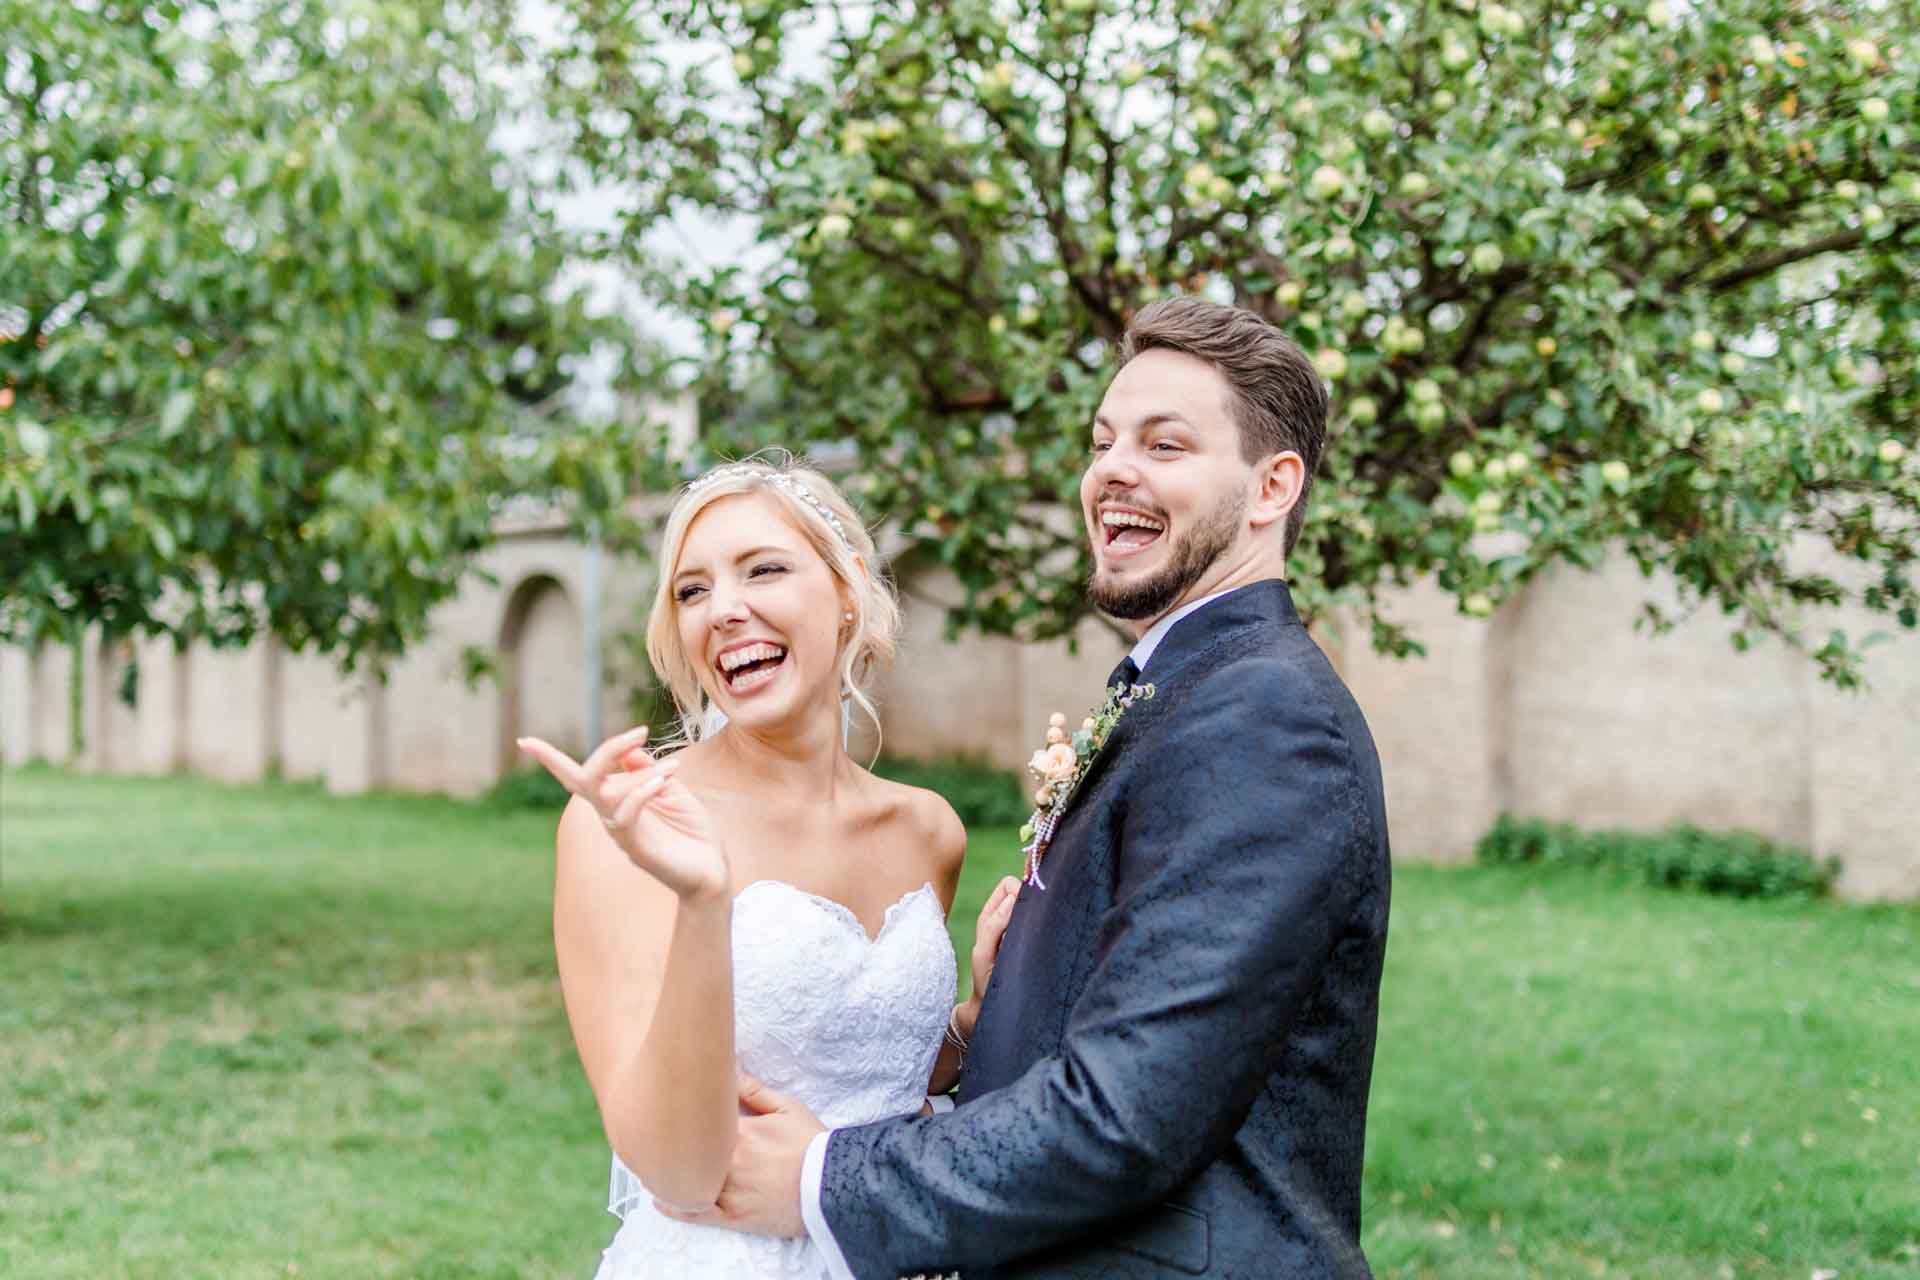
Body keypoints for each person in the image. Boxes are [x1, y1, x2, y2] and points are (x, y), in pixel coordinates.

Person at [665, 297, 1393, 1279]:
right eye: (1103, 441)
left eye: (1165, 444)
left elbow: (1127, 1114)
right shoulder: (1180, 692)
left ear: (1272, 488)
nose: (1112, 471)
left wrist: (821, 1177)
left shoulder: (1265, 715)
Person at [516, 456, 1022, 1280]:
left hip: (888, 1250)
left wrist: (973, 1013)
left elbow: (868, 1060)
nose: (725, 610)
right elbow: (677, 1172)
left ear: (847, 586)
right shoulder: (629, 826)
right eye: (692, 590)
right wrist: (702, 900)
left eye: (764, 570)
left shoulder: (929, 829)